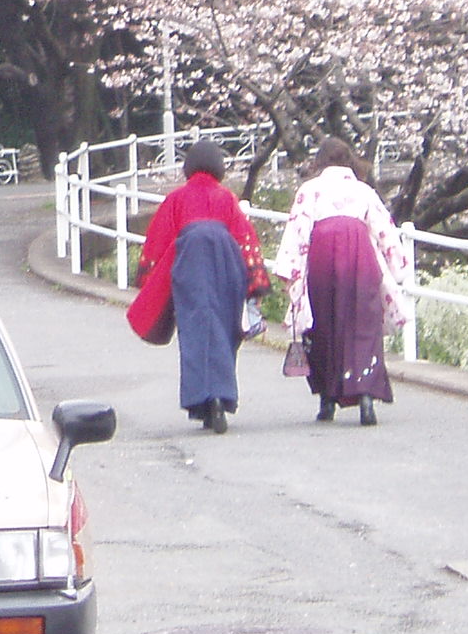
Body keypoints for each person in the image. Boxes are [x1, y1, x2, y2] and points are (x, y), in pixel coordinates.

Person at [127, 140, 271, 433]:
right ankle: (222, 397)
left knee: (195, 332)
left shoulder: (177, 199)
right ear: (219, 166)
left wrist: (148, 280)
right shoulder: (226, 198)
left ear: (188, 167)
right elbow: (246, 238)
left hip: (190, 266)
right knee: (224, 329)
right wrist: (255, 282)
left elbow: (159, 240)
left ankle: (203, 401)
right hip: (227, 264)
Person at [272, 138, 410, 426]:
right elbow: (385, 231)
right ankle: (366, 398)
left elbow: (298, 230)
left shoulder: (310, 190)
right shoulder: (363, 191)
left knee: (323, 325)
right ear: (349, 161)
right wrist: (397, 269)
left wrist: (291, 272)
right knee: (362, 324)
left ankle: (327, 399)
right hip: (361, 256)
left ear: (320, 163)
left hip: (322, 256)